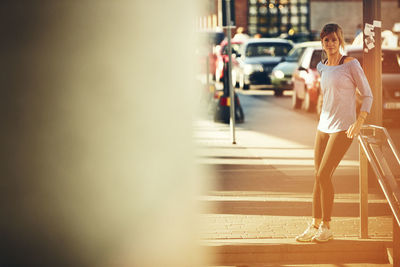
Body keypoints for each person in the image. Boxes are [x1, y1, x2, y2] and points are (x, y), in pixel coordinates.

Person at [295, 23, 373, 243]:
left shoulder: (350, 64)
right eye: (326, 40)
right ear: (322, 42)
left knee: (323, 175)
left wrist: (359, 121)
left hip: (343, 128)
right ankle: (315, 225)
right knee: (317, 178)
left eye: (334, 40)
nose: (330, 44)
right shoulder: (321, 66)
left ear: (341, 41)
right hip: (323, 127)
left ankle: (327, 227)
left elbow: (368, 95)